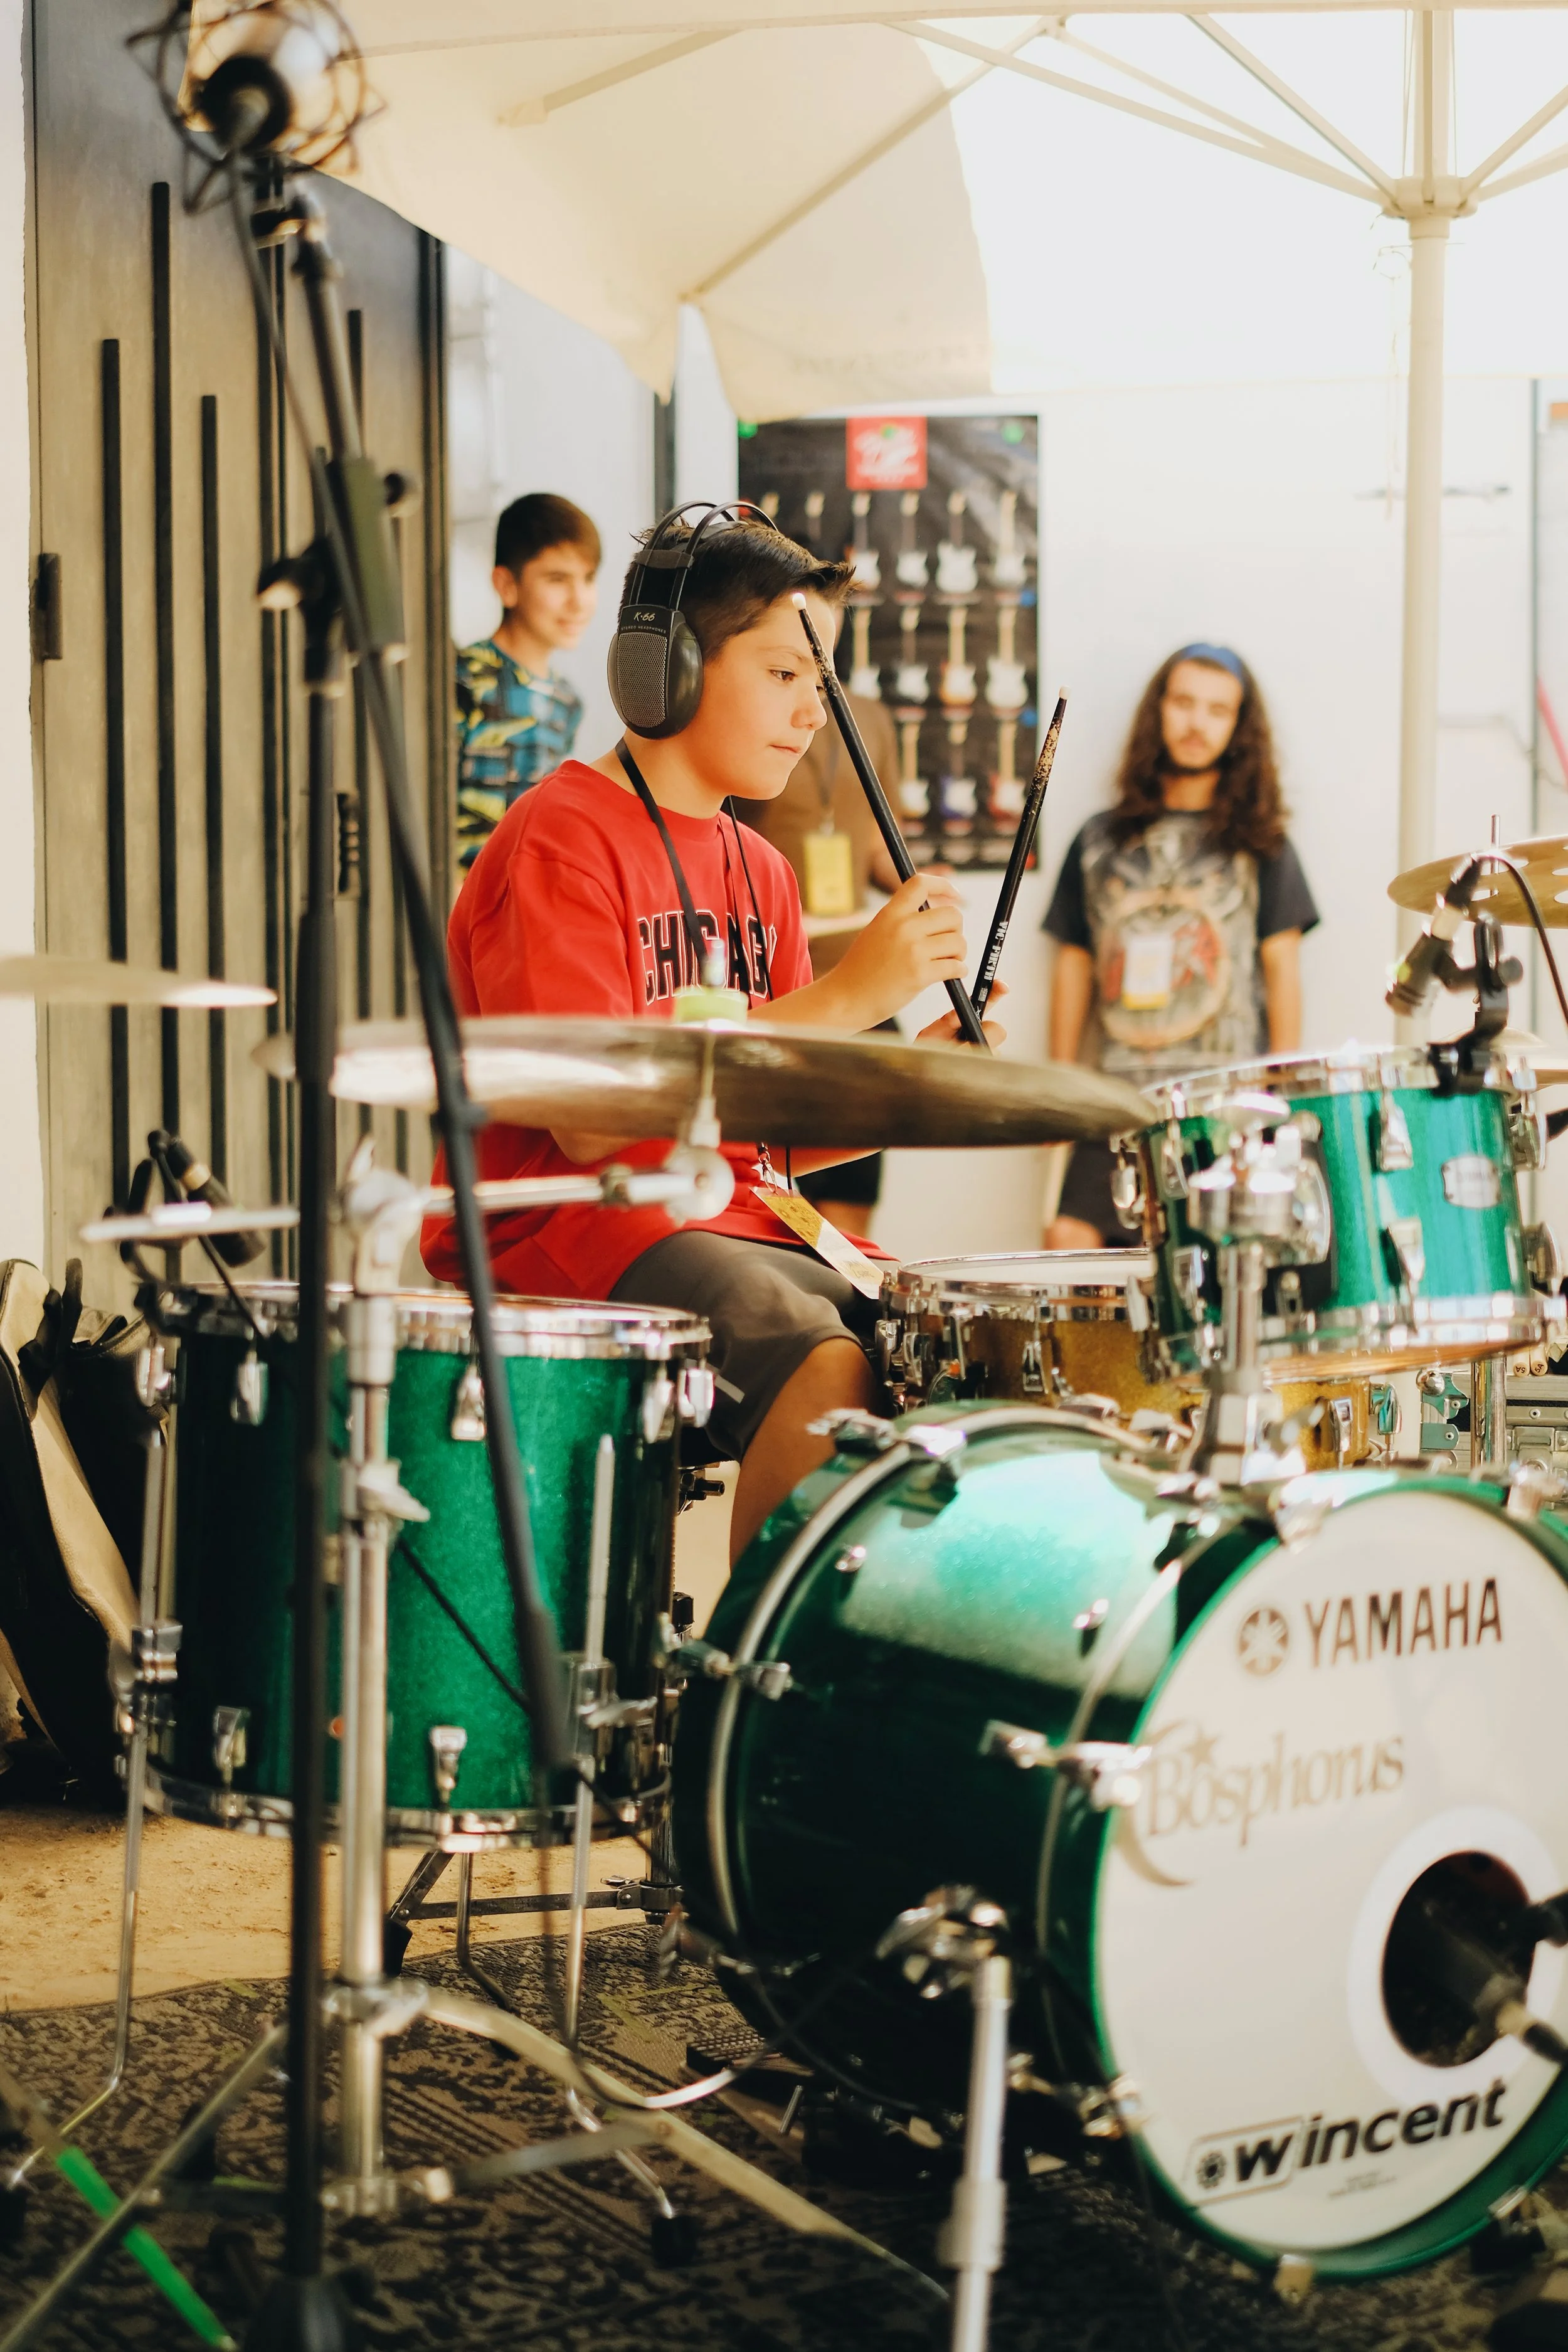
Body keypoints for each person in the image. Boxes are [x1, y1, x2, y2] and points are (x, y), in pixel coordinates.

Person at [422, 516, 1003, 1563]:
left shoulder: (759, 869)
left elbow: (768, 1146)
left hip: (733, 1219)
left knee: (948, 1349)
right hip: (568, 1230)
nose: (808, 715)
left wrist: (923, 1091)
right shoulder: (560, 834)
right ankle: (752, 1711)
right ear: (669, 670)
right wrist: (849, 996)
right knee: (820, 1362)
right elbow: (592, 1125)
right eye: (784, 673)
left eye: (817, 687)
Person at [1042, 644, 1319, 1249]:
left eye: (1219, 710)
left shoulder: (1264, 846)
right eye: (1185, 702)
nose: (1198, 723)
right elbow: (1072, 971)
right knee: (1068, 1242)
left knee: (1219, 1270)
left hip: (1225, 1109)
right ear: (1159, 711)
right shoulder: (1097, 842)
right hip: (1115, 1104)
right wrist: (1057, 1095)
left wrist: (1279, 1100)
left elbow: (1282, 972)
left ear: (1239, 730)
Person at [738, 671, 904, 1239]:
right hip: (773, 977)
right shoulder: (754, 715)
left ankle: (840, 1306)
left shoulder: (874, 718)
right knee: (767, 1189)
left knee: (851, 1198)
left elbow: (879, 840)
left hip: (857, 966)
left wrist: (913, 882)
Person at [454, 492, 601, 870]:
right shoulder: (465, 677)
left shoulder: (567, 703)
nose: (579, 600)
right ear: (506, 585)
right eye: (557, 579)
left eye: (588, 579)